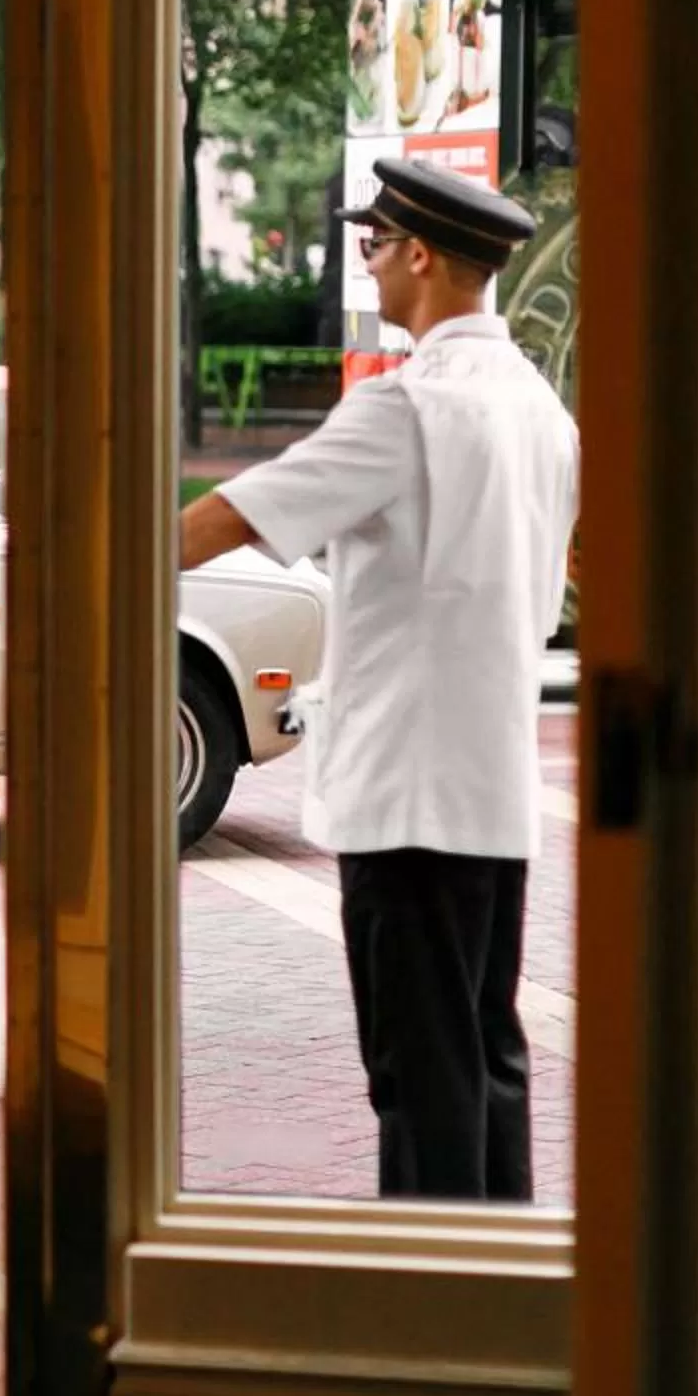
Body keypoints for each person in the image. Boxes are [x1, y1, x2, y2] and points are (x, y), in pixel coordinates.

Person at [179, 159, 578, 1201]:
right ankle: (500, 1288)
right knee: (487, 1054)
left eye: (373, 245)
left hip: (405, 794)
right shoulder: (540, 408)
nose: (367, 262)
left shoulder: (402, 409)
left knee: (416, 1070)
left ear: (421, 255)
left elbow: (225, 520)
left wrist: (82, 552)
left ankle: (433, 1306)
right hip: (493, 788)